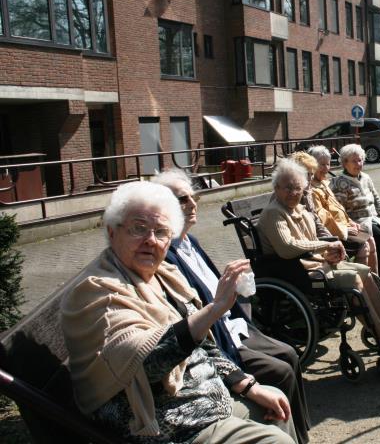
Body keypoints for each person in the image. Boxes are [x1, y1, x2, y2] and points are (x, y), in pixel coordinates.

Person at [60, 181, 297, 443]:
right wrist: (214, 309)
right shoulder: (98, 292)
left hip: (209, 403)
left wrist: (247, 384)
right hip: (170, 424)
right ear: (112, 232)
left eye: (161, 232)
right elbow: (143, 365)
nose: (150, 240)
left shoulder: (163, 276)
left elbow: (204, 347)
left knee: (277, 405)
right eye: (138, 228)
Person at [153, 169, 311, 444]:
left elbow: (213, 291)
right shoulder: (166, 257)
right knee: (281, 369)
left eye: (194, 197)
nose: (193, 204)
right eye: (182, 199)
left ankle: (301, 432)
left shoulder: (192, 242)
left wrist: (232, 283)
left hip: (232, 323)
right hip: (217, 336)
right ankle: (292, 433)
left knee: (290, 354)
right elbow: (195, 310)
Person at [257, 158, 380, 360]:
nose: (293, 192)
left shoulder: (298, 208)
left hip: (311, 263)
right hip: (293, 271)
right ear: (276, 188)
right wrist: (326, 246)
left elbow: (312, 240)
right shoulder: (274, 213)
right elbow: (288, 248)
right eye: (287, 188)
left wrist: (330, 249)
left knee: (367, 273)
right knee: (353, 281)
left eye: (297, 188)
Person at [329, 144, 380, 293]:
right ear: (345, 163)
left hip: (374, 219)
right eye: (354, 161)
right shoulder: (339, 183)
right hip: (357, 223)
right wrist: (351, 225)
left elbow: (377, 199)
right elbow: (338, 211)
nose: (358, 164)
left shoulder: (366, 178)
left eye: (360, 160)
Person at [306, 145, 377, 272]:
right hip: (330, 234)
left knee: (369, 240)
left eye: (328, 164)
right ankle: (363, 281)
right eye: (322, 165)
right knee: (366, 243)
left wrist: (351, 223)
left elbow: (339, 208)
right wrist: (345, 229)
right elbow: (323, 218)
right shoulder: (312, 189)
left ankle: (377, 283)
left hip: (343, 227)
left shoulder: (323, 183)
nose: (326, 168)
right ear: (311, 165)